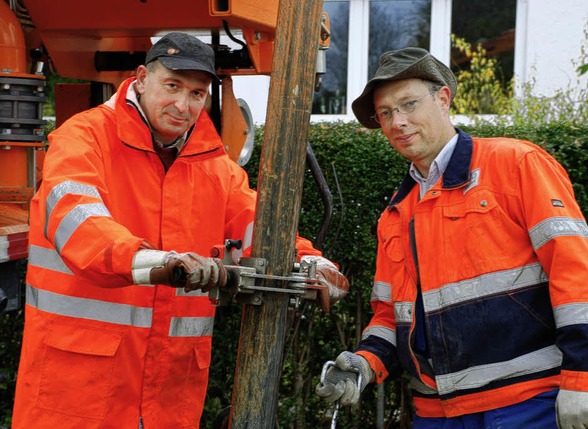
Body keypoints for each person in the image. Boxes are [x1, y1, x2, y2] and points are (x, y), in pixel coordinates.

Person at [12, 32, 348, 429]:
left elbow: (257, 224)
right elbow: (78, 224)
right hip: (80, 390)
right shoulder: (82, 139)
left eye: (196, 94)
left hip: (167, 395)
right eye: (172, 86)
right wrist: (158, 261)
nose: (182, 105)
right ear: (140, 78)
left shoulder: (213, 164)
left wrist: (310, 260)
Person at [316, 47, 588, 429]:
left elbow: (575, 268)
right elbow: (392, 314)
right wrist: (363, 365)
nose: (397, 121)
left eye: (408, 104)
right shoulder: (395, 213)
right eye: (385, 113)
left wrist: (582, 379)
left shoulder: (516, 164)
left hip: (525, 401)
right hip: (436, 411)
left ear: (443, 98)